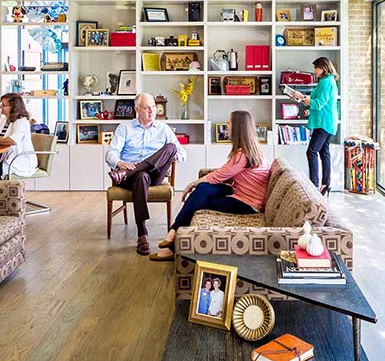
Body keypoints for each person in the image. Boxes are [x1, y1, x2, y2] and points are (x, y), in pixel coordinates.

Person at [151, 110, 270, 261]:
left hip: (247, 203)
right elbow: (223, 173)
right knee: (203, 190)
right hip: (238, 192)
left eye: (229, 123)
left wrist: (192, 184)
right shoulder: (251, 150)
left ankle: (172, 241)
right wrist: (198, 185)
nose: (227, 126)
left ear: (238, 127)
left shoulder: (242, 155)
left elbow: (219, 176)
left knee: (199, 203)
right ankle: (173, 235)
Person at [105, 92, 187, 256]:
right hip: (133, 178)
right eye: (146, 108)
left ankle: (129, 171)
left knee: (170, 147)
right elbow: (110, 154)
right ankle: (142, 234)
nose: (152, 111)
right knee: (141, 176)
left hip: (152, 175)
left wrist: (171, 156)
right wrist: (120, 163)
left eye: (153, 107)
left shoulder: (163, 129)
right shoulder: (125, 128)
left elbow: (182, 154)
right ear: (137, 109)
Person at [290, 57, 340, 194]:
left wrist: (301, 96)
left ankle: (314, 186)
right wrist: (305, 103)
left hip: (323, 123)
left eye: (316, 67)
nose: (314, 70)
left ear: (323, 67)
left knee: (311, 151)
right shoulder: (329, 81)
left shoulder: (325, 82)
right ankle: (325, 184)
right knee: (324, 152)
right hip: (328, 121)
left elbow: (319, 103)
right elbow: (319, 103)